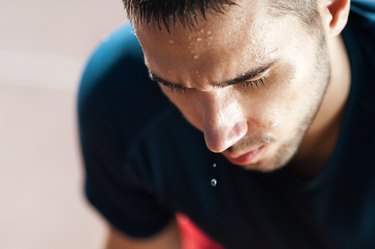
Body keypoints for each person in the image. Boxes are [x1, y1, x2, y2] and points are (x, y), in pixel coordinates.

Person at [77, 0, 375, 248]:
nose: (218, 138)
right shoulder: (124, 98)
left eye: (253, 79)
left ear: (332, 9)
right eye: (177, 87)